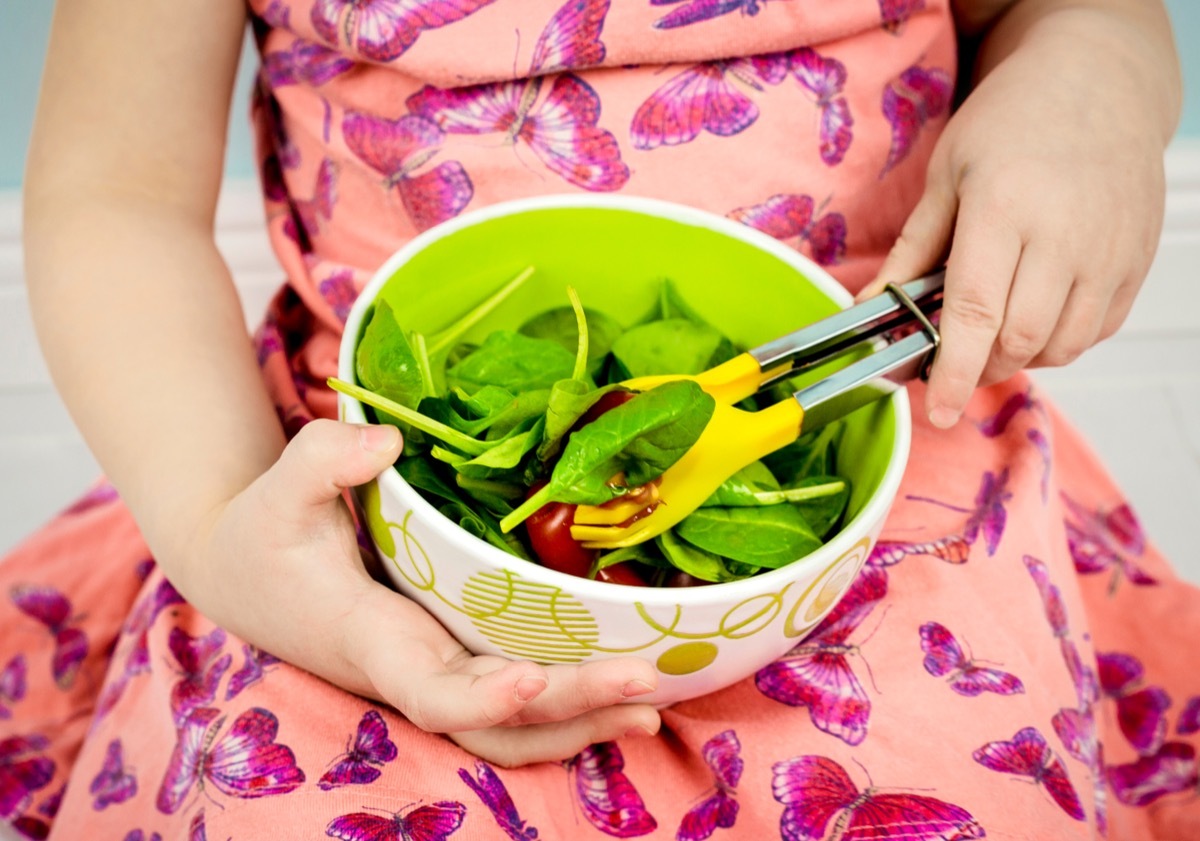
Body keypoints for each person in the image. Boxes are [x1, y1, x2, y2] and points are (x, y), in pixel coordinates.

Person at [4, 0, 1196, 837]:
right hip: (342, 512)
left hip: (896, 456)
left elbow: (1067, 8)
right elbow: (114, 195)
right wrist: (222, 532)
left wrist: (1094, 73)